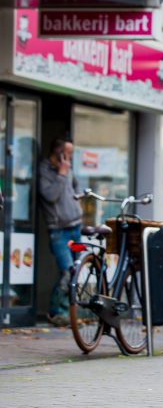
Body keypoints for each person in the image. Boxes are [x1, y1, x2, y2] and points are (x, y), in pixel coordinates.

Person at [39, 137, 83, 327]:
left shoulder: (68, 170)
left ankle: (68, 313)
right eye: (67, 152)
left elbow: (75, 189)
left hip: (76, 228)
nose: (70, 157)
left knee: (75, 271)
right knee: (67, 271)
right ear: (58, 151)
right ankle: (55, 312)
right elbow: (49, 196)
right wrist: (62, 174)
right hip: (58, 231)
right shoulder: (45, 170)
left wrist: (78, 202)